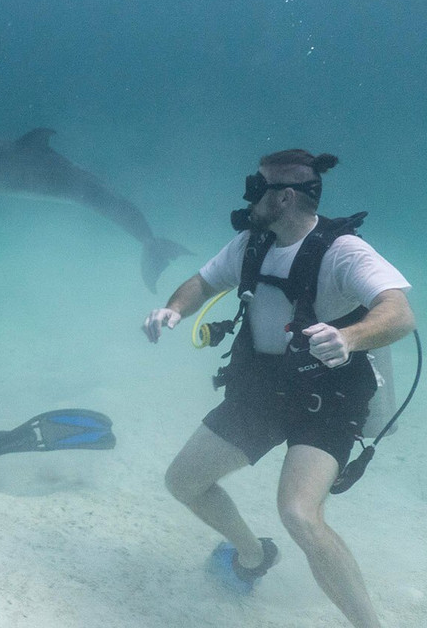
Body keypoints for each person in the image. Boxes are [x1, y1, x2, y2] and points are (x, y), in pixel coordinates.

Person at [143, 149, 414, 628]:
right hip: (264, 389)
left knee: (299, 514)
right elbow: (202, 284)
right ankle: (253, 557)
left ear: (285, 197)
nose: (249, 198)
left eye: (257, 188)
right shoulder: (250, 245)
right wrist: (174, 309)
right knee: (183, 481)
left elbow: (399, 314)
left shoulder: (344, 251)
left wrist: (350, 338)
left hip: (328, 397)